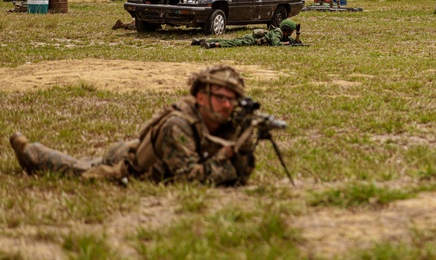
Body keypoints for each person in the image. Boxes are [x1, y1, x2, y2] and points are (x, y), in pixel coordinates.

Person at [9, 65, 256, 185]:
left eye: (232, 100)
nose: (227, 105)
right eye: (221, 98)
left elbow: (241, 175)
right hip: (130, 163)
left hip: (149, 154)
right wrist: (226, 156)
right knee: (82, 170)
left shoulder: (225, 120)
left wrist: (244, 146)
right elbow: (187, 180)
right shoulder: (178, 125)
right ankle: (30, 153)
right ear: (201, 97)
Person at [195, 19, 300, 48]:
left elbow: (296, 42)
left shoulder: (284, 35)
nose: (292, 33)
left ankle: (200, 41)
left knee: (231, 40)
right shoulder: (278, 32)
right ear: (287, 30)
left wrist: (298, 34)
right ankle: (212, 44)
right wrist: (284, 44)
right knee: (233, 43)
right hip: (251, 40)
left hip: (251, 38)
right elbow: (275, 44)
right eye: (292, 31)